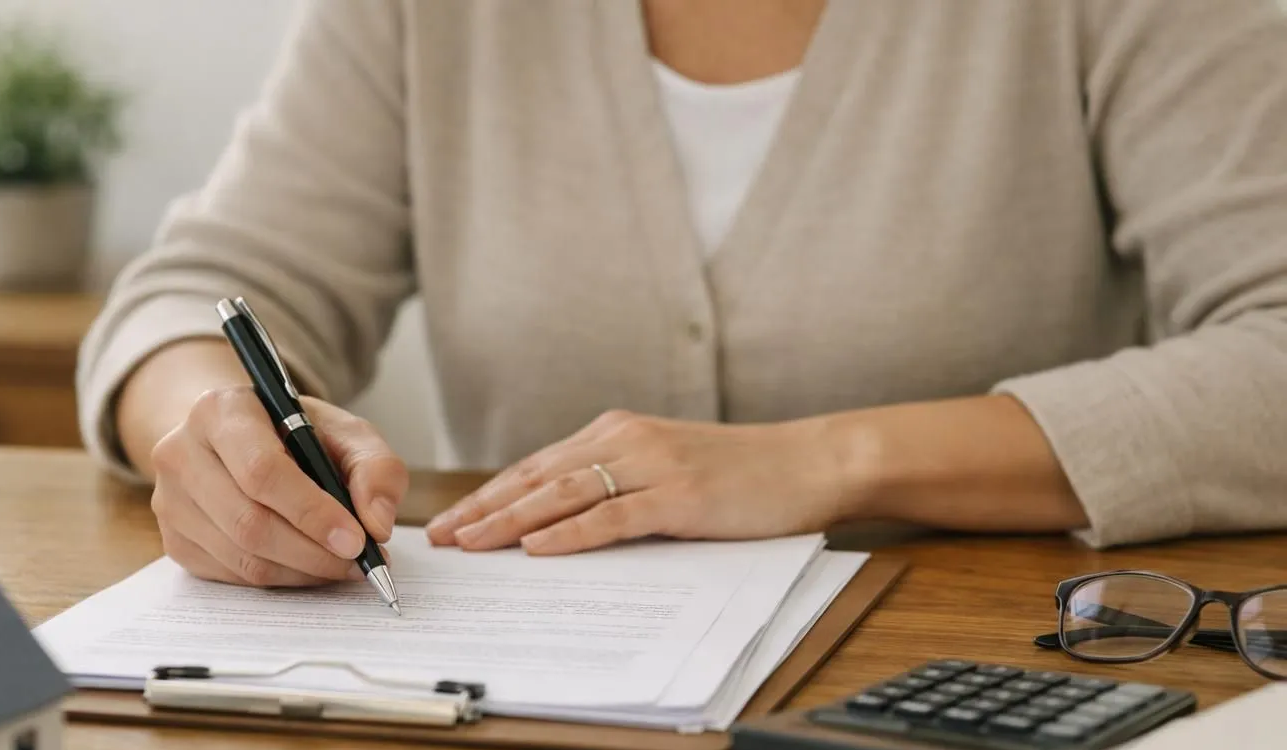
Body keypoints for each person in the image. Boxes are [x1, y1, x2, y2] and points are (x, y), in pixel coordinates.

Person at [79, 0, 1287, 591]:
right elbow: (195, 296)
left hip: (982, 715)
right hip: (536, 748)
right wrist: (210, 429)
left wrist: (835, 459)